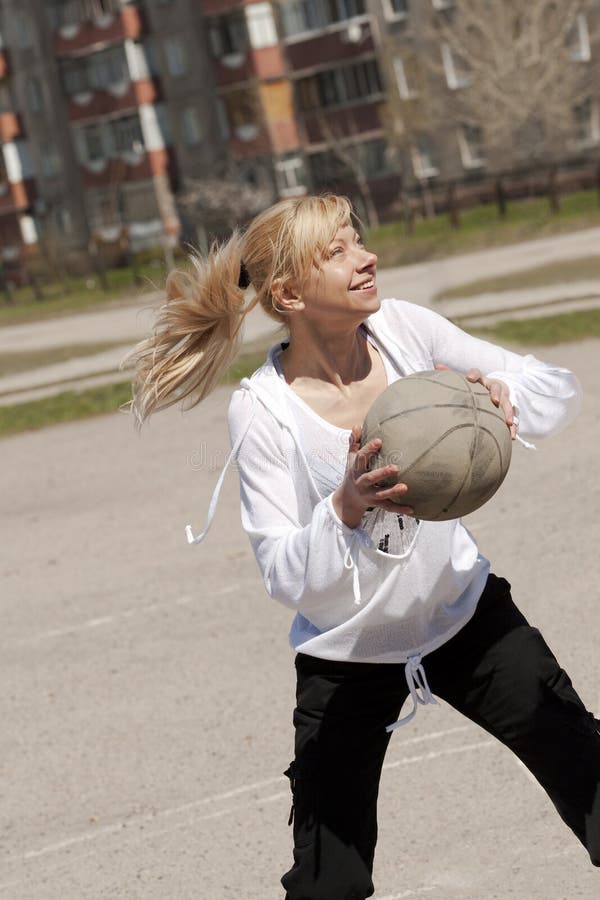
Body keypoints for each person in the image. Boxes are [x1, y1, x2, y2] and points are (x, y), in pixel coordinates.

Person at [128, 194, 599, 899]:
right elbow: (285, 573)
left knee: (591, 781)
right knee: (328, 882)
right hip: (347, 657)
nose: (366, 256)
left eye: (360, 238)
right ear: (288, 293)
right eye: (338, 250)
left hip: (465, 619)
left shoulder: (404, 331)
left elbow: (551, 386)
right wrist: (344, 508)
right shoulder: (262, 409)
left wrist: (503, 393)